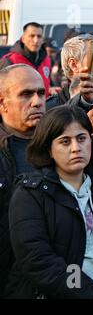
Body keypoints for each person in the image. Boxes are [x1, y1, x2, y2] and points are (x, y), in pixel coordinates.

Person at [5, 105, 93, 299]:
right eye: (65, 141)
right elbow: (37, 259)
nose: (76, 148)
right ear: (49, 148)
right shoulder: (31, 195)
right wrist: (92, 294)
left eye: (81, 139)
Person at [0, 64, 46, 296]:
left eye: (41, 93)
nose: (37, 101)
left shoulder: (60, 146)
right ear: (2, 102)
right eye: (26, 94)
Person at [0, 22, 51, 96]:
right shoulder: (10, 61)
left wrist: (50, 89)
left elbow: (47, 83)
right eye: (32, 36)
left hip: (43, 106)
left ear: (43, 39)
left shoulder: (47, 60)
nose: (36, 40)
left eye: (39, 36)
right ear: (23, 38)